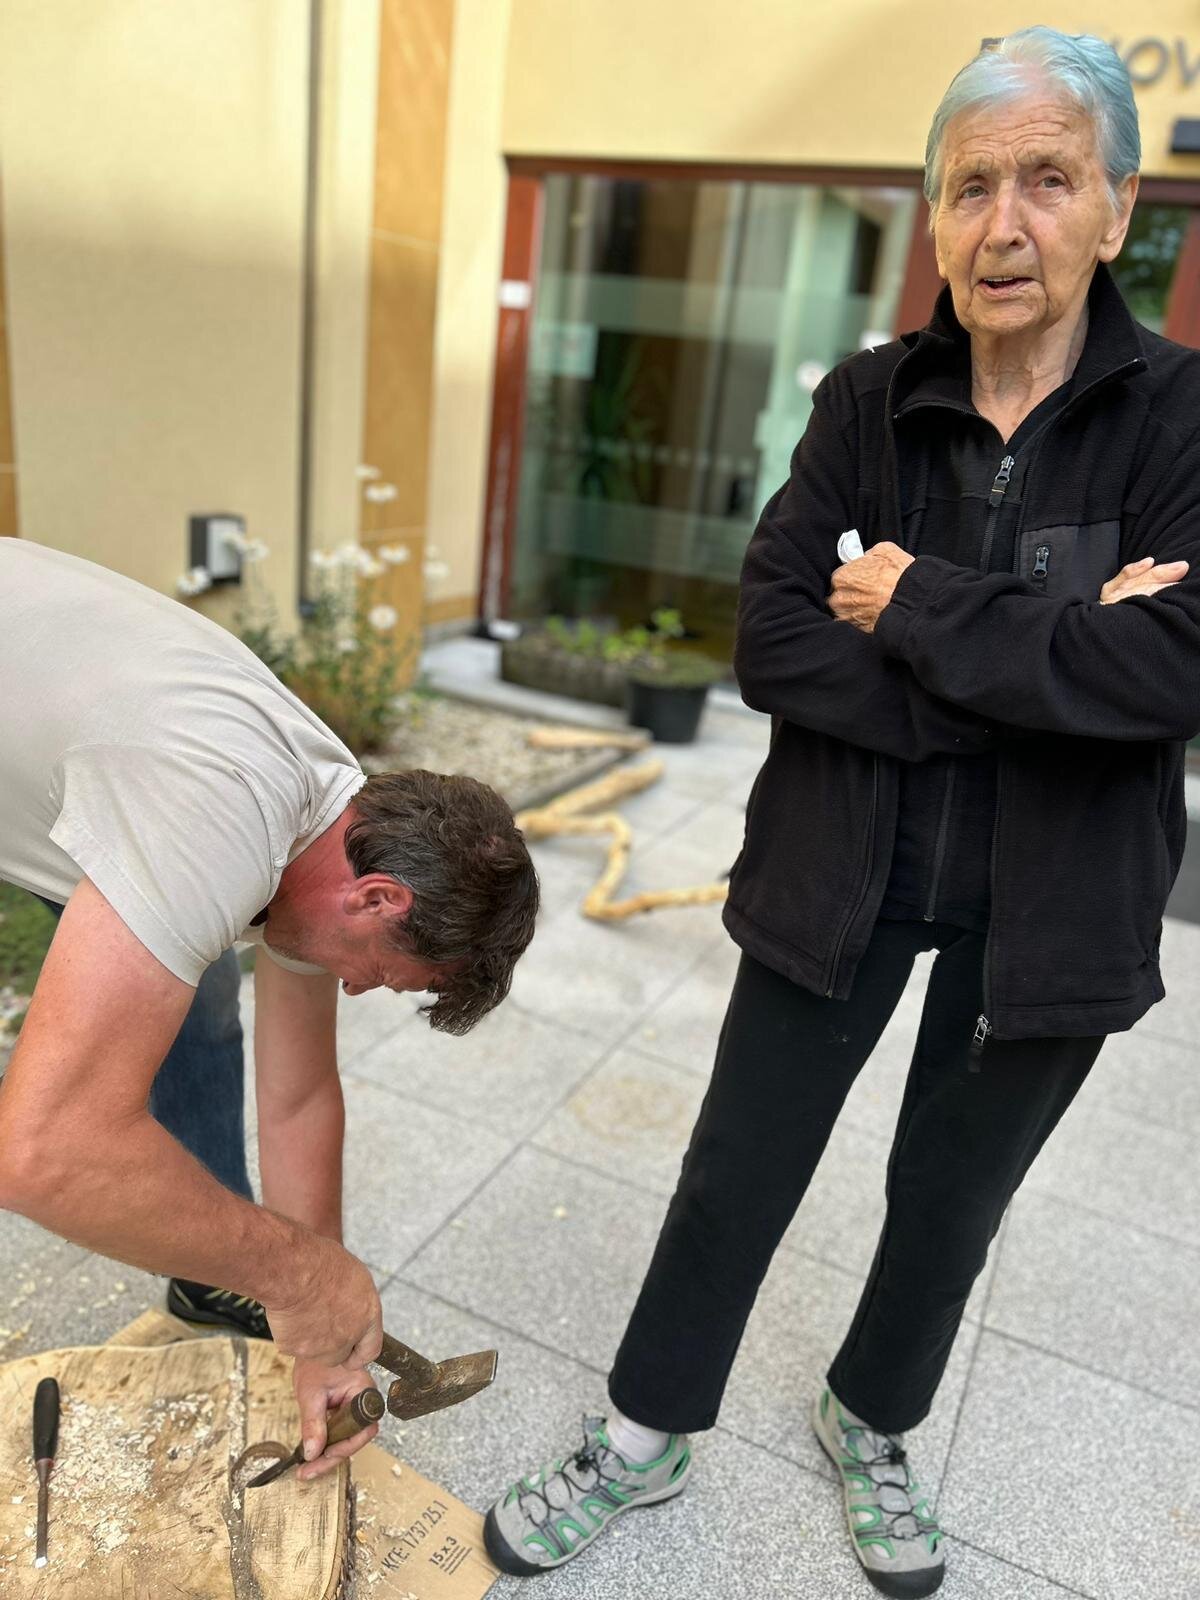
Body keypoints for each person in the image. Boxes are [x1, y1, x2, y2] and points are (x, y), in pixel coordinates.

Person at [484, 27, 1200, 1598]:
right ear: (933, 217)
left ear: (1117, 208)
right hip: (841, 869)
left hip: (1057, 906)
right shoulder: (866, 401)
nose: (1003, 224)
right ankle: (644, 1431)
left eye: (1047, 180)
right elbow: (772, 637)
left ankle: (871, 1419)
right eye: (969, 187)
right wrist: (1047, 665)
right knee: (738, 1167)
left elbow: (1174, 670)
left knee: (952, 1193)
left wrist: (916, 606)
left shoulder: (1182, 419)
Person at [0, 538, 538, 1481]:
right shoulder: (217, 813)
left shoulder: (332, 827)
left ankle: (206, 1263)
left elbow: (298, 1096)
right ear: (379, 900)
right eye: (387, 976)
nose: (358, 989)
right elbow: (41, 1153)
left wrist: (322, 1331)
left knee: (195, 983)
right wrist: (295, 1273)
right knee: (76, 1109)